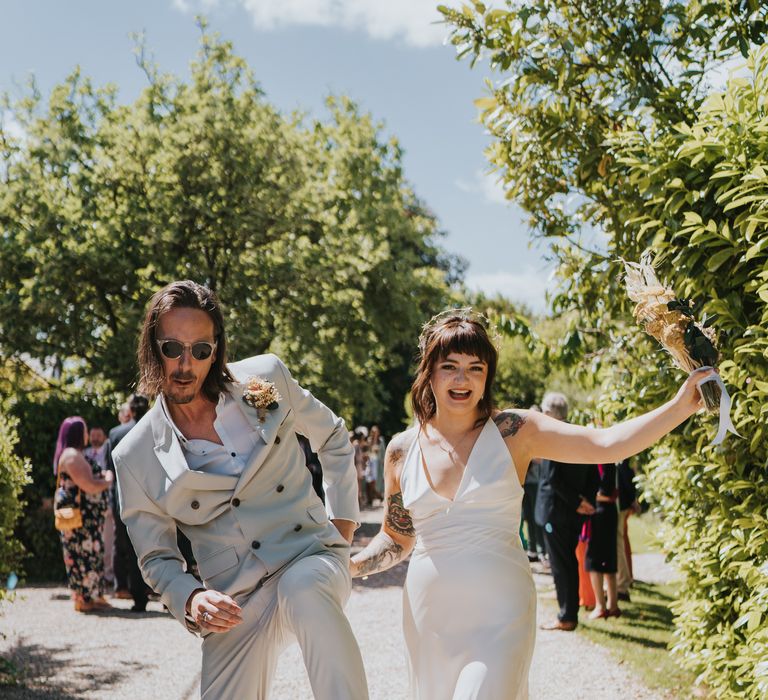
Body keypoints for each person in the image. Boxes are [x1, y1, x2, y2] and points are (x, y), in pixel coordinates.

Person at [350, 309, 717, 699]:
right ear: (429, 372)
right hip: (430, 618)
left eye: (476, 367)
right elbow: (396, 538)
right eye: (450, 367)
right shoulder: (401, 451)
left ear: (488, 374)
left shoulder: (516, 432)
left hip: (501, 613)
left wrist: (681, 406)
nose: (463, 379)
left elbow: (607, 444)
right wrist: (352, 565)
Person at [112, 280, 367, 700]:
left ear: (217, 350)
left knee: (302, 589)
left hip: (309, 556)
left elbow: (334, 437)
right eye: (172, 348)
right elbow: (157, 558)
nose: (185, 364)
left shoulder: (266, 377)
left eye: (200, 350)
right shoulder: (134, 455)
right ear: (152, 347)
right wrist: (192, 599)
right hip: (235, 598)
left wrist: (343, 527)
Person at [535, 392, 599, 631]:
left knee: (562, 565)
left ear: (550, 414)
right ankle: (569, 610)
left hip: (556, 511)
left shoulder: (554, 438)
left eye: (544, 411)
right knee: (569, 562)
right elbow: (594, 470)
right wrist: (587, 501)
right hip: (575, 511)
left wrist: (576, 502)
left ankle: (566, 616)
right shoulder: (579, 435)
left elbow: (553, 479)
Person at [54, 416, 113, 613]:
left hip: (87, 521)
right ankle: (84, 599)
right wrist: (107, 480)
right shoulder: (71, 455)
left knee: (91, 556)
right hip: (80, 521)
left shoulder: (73, 454)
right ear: (78, 433)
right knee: (82, 557)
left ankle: (93, 596)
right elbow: (87, 484)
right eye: (85, 430)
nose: (87, 434)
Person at [107, 394, 151, 611]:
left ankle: (138, 597)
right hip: (153, 494)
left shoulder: (116, 433)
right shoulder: (157, 429)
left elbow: (110, 469)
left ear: (130, 411)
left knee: (130, 548)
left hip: (123, 496)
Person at [585, 462, 621, 619]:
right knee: (609, 559)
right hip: (609, 513)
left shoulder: (601, 463)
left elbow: (606, 494)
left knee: (593, 561)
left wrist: (584, 498)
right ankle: (613, 605)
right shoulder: (611, 461)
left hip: (600, 514)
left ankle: (600, 606)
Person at [84, 426, 114, 589]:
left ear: (103, 437)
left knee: (109, 541)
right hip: (89, 504)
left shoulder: (107, 452)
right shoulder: (84, 454)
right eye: (92, 435)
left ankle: (109, 574)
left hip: (107, 501)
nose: (95, 438)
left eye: (98, 435)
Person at [616, 458, 641, 601]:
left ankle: (623, 584)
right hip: (622, 502)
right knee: (619, 541)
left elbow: (626, 474)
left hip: (620, 503)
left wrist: (632, 499)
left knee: (617, 543)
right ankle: (623, 581)